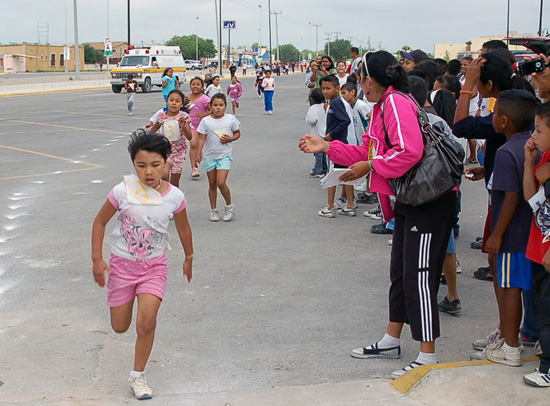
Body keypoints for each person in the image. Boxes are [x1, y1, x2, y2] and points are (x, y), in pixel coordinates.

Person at [299, 51, 456, 378]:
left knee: (420, 277)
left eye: (361, 76)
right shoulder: (384, 106)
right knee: (400, 272)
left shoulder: (396, 103)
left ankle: (427, 355)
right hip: (411, 200)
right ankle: (391, 339)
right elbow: (368, 151)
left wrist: (370, 166)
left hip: (429, 202)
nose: (359, 83)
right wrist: (328, 147)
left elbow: (408, 152)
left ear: (371, 79)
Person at [91, 130, 194, 400]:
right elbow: (99, 222)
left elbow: (183, 228)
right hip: (121, 267)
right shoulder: (122, 191)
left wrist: (189, 257)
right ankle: (121, 304)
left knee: (146, 322)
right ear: (133, 164)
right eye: (141, 165)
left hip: (154, 267)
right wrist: (97, 259)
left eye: (155, 165)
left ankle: (138, 376)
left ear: (166, 163)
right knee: (120, 327)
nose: (148, 172)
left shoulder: (175, 196)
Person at [477, 89, 539, 367]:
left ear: (503, 121)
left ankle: (511, 346)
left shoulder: (506, 151)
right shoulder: (534, 146)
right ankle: (529, 338)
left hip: (512, 235)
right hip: (534, 233)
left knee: (509, 285)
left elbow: (511, 196)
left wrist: (496, 234)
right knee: (531, 288)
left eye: (494, 113)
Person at [523, 101, 550, 387]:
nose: (534, 135)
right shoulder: (543, 159)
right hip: (539, 247)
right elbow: (533, 201)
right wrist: (530, 162)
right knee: (543, 308)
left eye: (540, 130)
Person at [196, 93, 241, 222]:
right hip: (210, 156)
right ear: (211, 106)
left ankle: (229, 206)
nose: (218, 108)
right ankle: (213, 210)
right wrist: (199, 153)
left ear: (225, 106)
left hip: (224, 156)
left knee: (221, 182)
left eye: (221, 105)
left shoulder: (230, 119)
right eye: (215, 105)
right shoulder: (205, 121)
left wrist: (230, 138)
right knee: (212, 184)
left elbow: (237, 133)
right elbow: (201, 138)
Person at [317, 75, 357, 218]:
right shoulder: (334, 102)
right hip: (341, 144)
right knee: (346, 175)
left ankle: (330, 206)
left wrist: (331, 135)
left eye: (328, 88)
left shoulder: (336, 102)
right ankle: (350, 205)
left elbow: (344, 121)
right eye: (323, 88)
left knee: (331, 175)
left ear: (337, 88)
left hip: (336, 145)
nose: (325, 91)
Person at [149, 90, 193, 188]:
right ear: (167, 101)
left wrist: (184, 126)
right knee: (164, 175)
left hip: (179, 152)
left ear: (181, 104)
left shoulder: (184, 117)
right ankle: (165, 194)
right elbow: (155, 127)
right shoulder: (162, 116)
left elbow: (190, 137)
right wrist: (147, 137)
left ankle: (174, 198)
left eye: (177, 101)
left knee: (175, 183)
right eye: (171, 100)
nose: (174, 103)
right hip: (165, 151)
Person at [187, 77, 211, 180]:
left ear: (202, 87)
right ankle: (194, 168)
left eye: (198, 84)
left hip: (202, 126)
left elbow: (212, 110)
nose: (195, 86)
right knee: (193, 144)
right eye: (193, 84)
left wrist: (203, 114)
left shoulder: (205, 99)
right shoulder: (187, 98)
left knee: (197, 144)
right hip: (191, 126)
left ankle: (199, 152)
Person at [305, 88, 327, 178]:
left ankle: (318, 170)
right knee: (325, 152)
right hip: (325, 133)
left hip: (317, 133)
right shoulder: (326, 106)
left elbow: (311, 120)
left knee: (318, 153)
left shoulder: (313, 108)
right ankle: (325, 169)